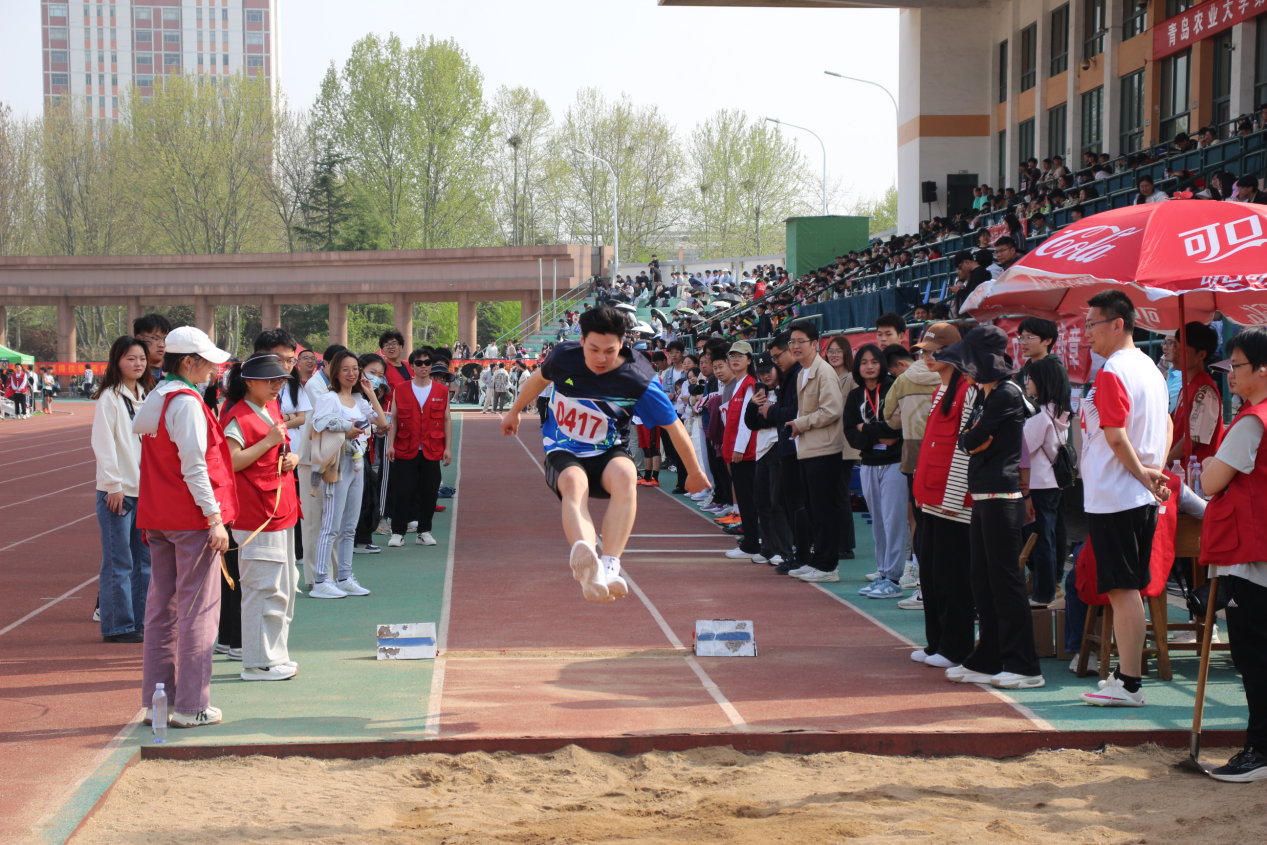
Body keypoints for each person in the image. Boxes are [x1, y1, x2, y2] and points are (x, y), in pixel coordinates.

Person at [500, 306, 710, 603]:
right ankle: (587, 560)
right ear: (582, 341)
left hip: (608, 452)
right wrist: (514, 412)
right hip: (564, 449)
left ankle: (610, 565)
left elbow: (673, 426)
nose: (601, 358)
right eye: (594, 349)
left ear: (622, 344)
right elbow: (539, 379)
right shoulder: (564, 356)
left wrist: (695, 471)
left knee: (627, 475)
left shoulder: (638, 378)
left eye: (609, 351)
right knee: (573, 483)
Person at [133, 326, 237, 728]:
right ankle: (193, 706)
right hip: (190, 519)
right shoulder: (187, 403)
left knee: (162, 610)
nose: (214, 370)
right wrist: (214, 518)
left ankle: (158, 702)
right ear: (189, 362)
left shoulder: (157, 396)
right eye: (208, 362)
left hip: (159, 517)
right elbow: (195, 467)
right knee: (198, 612)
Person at [1076, 290, 1171, 707]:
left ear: (1118, 324)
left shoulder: (1114, 369)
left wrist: (1145, 474)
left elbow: (1115, 436)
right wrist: (1152, 471)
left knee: (1123, 588)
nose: (1086, 333)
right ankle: (1124, 674)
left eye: (1092, 324)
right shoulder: (1150, 367)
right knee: (1126, 586)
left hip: (1117, 494)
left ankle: (1130, 683)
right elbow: (1167, 424)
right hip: (1135, 492)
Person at [938, 325, 1045, 690]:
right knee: (982, 581)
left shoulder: (1006, 393)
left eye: (968, 363)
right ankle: (988, 658)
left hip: (1002, 498)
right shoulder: (986, 394)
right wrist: (973, 439)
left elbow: (973, 439)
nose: (963, 371)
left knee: (1005, 584)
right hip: (984, 497)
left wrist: (974, 439)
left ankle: (1024, 666)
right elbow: (966, 440)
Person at [1198, 327, 1267, 782]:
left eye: (1237, 365)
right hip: (1257, 548)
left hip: (1253, 555)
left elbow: (1210, 482)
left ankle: (1259, 750)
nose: (1230, 374)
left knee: (1254, 657)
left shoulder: (1251, 421)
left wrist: (1208, 463)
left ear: (1263, 369)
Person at [219, 354, 301, 681]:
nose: (277, 385)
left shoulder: (270, 408)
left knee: (283, 588)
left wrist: (291, 458)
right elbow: (230, 461)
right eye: (270, 380)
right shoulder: (238, 416)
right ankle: (257, 662)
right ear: (249, 381)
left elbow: (278, 449)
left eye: (280, 380)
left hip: (281, 510)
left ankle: (274, 656)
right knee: (262, 588)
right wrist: (268, 442)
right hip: (256, 516)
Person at [910, 324, 976, 666]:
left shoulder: (967, 391)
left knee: (952, 576)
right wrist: (921, 492)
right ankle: (936, 642)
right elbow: (932, 447)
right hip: (932, 496)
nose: (927, 356)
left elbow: (963, 451)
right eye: (924, 351)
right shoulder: (942, 389)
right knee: (932, 573)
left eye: (934, 351)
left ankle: (955, 646)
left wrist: (951, 500)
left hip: (953, 502)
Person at [308, 350, 388, 599]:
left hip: (357, 463)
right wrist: (346, 430)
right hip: (337, 463)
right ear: (335, 372)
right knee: (331, 525)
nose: (351, 373)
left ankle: (344, 577)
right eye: (345, 369)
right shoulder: (329, 398)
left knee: (349, 526)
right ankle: (321, 580)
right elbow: (316, 426)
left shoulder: (359, 399)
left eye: (355, 369)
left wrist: (371, 393)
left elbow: (383, 423)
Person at [92, 336, 152, 644]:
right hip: (118, 493)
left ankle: (141, 622)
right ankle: (118, 626)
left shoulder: (145, 395)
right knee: (119, 562)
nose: (138, 363)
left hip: (145, 492)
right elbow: (103, 445)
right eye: (131, 358)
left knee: (145, 562)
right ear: (117, 361)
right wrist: (113, 485)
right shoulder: (110, 398)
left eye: (141, 358)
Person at [844, 344, 907, 598]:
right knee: (878, 522)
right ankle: (883, 572)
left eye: (874, 361)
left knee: (894, 521)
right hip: (868, 462)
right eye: (863, 362)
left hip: (895, 462)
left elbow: (896, 429)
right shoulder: (855, 395)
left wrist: (866, 428)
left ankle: (894, 578)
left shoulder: (893, 387)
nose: (869, 366)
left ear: (881, 363)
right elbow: (850, 432)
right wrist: (875, 436)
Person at [785, 320, 844, 582]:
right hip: (808, 449)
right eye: (792, 342)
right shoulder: (803, 372)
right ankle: (818, 561)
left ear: (815, 344)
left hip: (824, 449)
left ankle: (828, 566)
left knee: (824, 510)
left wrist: (801, 423)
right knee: (813, 509)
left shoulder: (824, 372)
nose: (796, 346)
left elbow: (832, 410)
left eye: (801, 341)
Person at [385, 349, 453, 548]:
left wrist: (447, 448)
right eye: (419, 363)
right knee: (402, 491)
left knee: (429, 492)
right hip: (405, 447)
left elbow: (447, 420)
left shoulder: (441, 390)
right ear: (412, 366)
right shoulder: (401, 389)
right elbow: (394, 418)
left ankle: (424, 531)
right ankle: (397, 532)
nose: (424, 366)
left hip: (432, 448)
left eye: (427, 362)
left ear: (431, 365)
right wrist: (390, 444)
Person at [1023, 356, 1072, 606]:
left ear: (1042, 382)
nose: (1026, 382)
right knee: (1048, 539)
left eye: (1030, 378)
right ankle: (1048, 590)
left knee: (1040, 541)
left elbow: (1021, 451)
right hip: (1053, 482)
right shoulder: (1059, 412)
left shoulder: (1040, 417)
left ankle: (1043, 594)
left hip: (1038, 485)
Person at [744, 352, 793, 566]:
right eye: (761, 373)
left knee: (777, 502)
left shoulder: (786, 389)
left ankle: (784, 550)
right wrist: (753, 405)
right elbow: (751, 423)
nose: (765, 376)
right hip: (762, 450)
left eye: (768, 371)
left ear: (777, 369)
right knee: (761, 501)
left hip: (779, 447)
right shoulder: (760, 392)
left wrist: (768, 416)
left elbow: (785, 416)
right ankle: (767, 547)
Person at [720, 341, 763, 560]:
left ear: (749, 359)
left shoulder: (749, 384)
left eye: (740, 356)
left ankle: (752, 544)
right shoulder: (739, 384)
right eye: (732, 356)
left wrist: (739, 449)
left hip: (745, 453)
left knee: (748, 499)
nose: (735, 360)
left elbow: (747, 422)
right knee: (745, 498)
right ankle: (751, 540)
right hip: (738, 450)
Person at [1167, 321, 1224, 465]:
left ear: (1201, 355)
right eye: (1175, 345)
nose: (1175, 352)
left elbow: (1192, 440)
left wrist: (1163, 461)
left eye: (1184, 349)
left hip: (1195, 473)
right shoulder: (1187, 387)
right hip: (1180, 470)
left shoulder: (1205, 390)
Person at [825, 337, 859, 560]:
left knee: (840, 494)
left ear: (847, 353)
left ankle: (846, 545)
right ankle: (834, 541)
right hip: (826, 443)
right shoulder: (825, 376)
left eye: (839, 351)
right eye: (830, 351)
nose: (834, 355)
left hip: (844, 445)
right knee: (830, 494)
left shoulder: (852, 378)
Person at [133, 313, 172, 382]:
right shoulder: (131, 375)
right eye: (155, 338)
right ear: (139, 339)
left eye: (165, 339)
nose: (162, 345)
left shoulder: (174, 374)